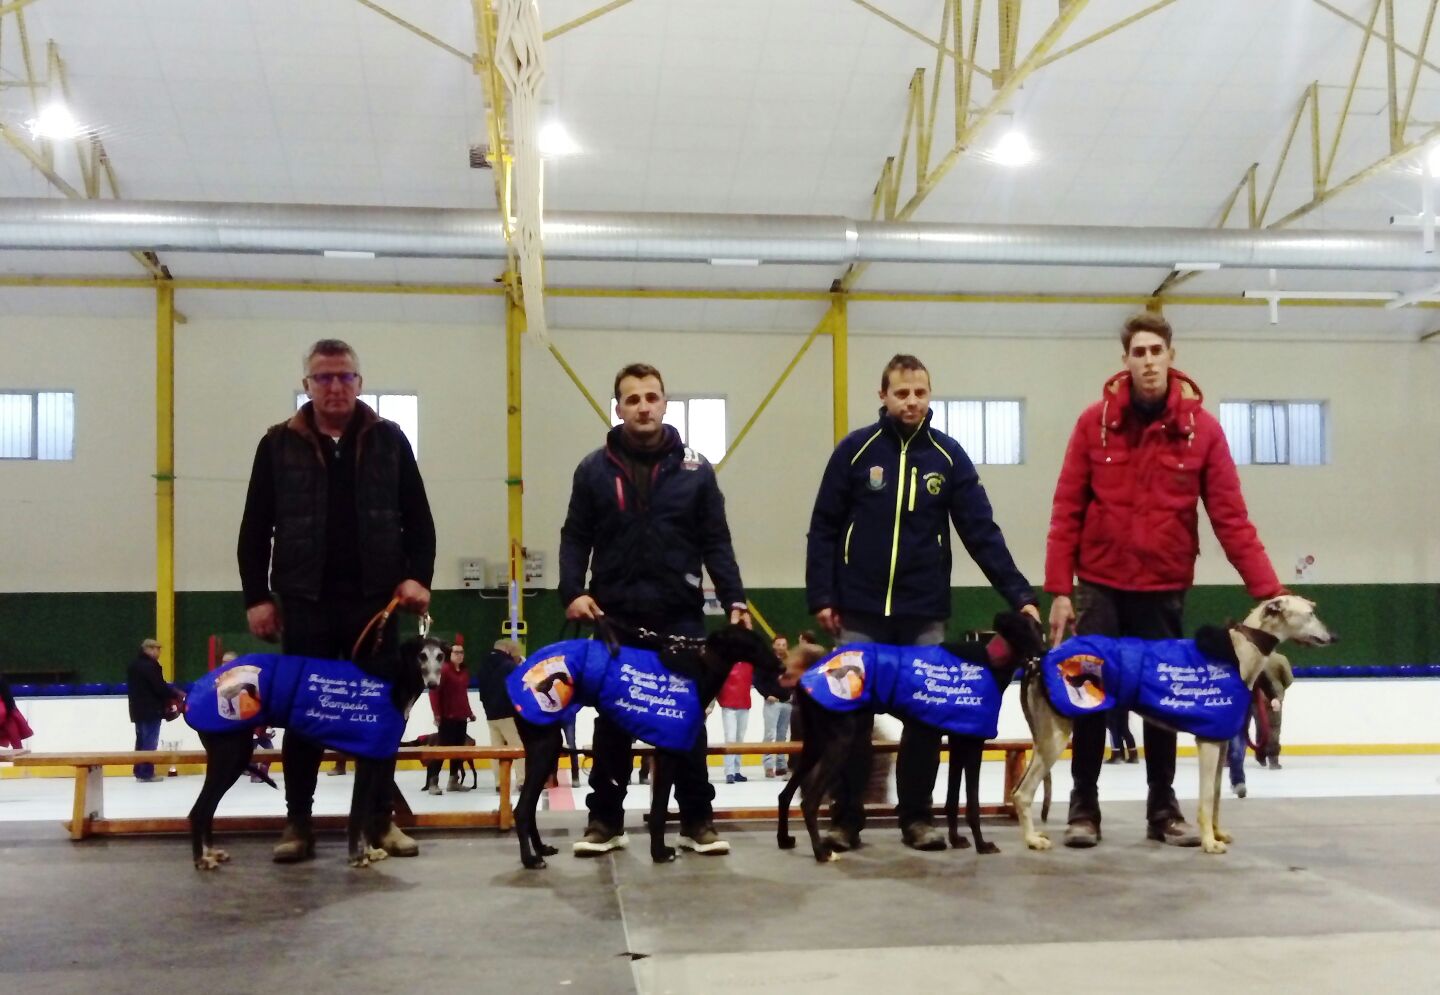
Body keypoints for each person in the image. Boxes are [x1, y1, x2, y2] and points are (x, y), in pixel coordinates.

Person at [1045, 312, 1285, 848]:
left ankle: (1163, 809)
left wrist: (1270, 592)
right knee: (1090, 696)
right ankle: (1084, 807)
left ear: (1171, 356)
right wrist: (1060, 588)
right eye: (1139, 352)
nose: (1148, 361)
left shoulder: (1204, 431)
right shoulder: (1093, 424)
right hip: (1100, 585)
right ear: (1125, 360)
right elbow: (1066, 510)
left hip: (1163, 587)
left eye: (1157, 351)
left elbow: (1231, 518)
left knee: (1165, 702)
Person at [806, 353, 1040, 851]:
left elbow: (981, 532)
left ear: (929, 396)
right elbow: (823, 527)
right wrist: (822, 595)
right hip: (860, 611)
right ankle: (845, 820)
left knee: (927, 719)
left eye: (920, 393)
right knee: (852, 720)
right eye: (901, 393)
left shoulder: (948, 458)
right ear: (883, 396)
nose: (911, 401)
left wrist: (1019, 594)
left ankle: (917, 819)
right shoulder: (854, 451)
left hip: (923, 613)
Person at [238, 338, 436, 863]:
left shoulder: (391, 440)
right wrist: (257, 596)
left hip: (376, 604)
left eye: (344, 376)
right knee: (303, 716)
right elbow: (255, 529)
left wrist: (418, 577)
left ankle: (380, 822)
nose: (334, 386)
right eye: (322, 377)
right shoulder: (277, 445)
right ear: (306, 385)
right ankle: (298, 824)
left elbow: (419, 520)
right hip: (305, 603)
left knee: (379, 717)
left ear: (359, 382)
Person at [559, 362, 751, 857]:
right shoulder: (592, 469)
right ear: (618, 408)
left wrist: (734, 598)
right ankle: (605, 821)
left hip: (680, 615)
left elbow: (716, 540)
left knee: (685, 718)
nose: (643, 406)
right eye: (632, 399)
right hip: (613, 616)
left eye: (651, 397)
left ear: (665, 403)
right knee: (612, 720)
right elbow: (575, 536)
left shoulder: (696, 469)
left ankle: (696, 821)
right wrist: (570, 592)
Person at [425, 641, 477, 795]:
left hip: (461, 718)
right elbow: (434, 693)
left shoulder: (464, 672)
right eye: (456, 652)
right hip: (447, 718)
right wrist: (437, 714)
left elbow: (462, 695)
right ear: (449, 655)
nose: (459, 655)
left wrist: (469, 712)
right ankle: (433, 782)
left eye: (461, 652)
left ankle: (453, 781)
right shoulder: (444, 671)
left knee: (459, 750)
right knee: (442, 750)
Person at [126, 638, 180, 782]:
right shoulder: (151, 666)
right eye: (157, 649)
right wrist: (175, 694)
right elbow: (159, 687)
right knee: (150, 741)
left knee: (141, 741)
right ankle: (146, 772)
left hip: (137, 710)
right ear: (148, 649)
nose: (159, 652)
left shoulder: (133, 665)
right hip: (151, 709)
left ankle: (138, 770)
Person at [476, 639, 525, 789]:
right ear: (507, 649)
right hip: (508, 713)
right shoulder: (509, 666)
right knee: (517, 747)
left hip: (490, 714)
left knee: (496, 749)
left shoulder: (482, 665)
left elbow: (481, 691)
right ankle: (521, 780)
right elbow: (517, 689)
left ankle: (499, 783)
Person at [754, 633, 793, 779]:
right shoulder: (766, 661)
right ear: (773, 645)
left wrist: (792, 695)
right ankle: (768, 765)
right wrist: (766, 694)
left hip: (787, 703)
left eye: (784, 645)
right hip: (773, 703)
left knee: (782, 736)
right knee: (770, 734)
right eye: (779, 644)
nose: (781, 647)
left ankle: (781, 765)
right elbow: (758, 680)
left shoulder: (789, 662)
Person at [717, 657, 754, 783]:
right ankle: (729, 772)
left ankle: (737, 770)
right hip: (729, 706)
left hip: (744, 705)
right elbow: (717, 684)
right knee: (731, 738)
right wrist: (721, 701)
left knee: (739, 738)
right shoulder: (724, 664)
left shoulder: (749, 664)